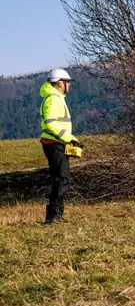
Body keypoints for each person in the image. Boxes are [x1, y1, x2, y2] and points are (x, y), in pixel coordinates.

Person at [39, 68, 83, 224]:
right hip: (55, 144)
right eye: (67, 82)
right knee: (61, 179)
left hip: (58, 143)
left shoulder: (57, 98)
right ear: (59, 83)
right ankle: (53, 217)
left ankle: (57, 215)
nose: (69, 85)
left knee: (61, 179)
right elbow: (51, 125)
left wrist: (72, 139)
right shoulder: (53, 99)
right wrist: (67, 138)